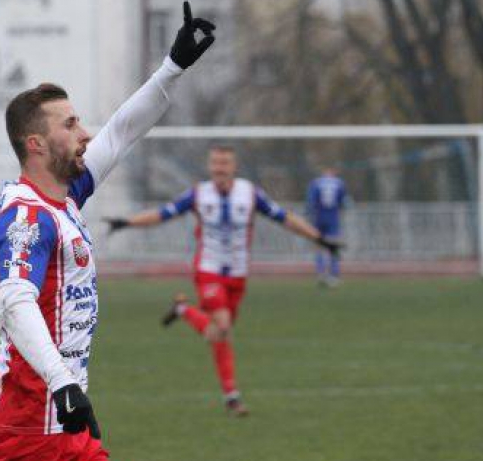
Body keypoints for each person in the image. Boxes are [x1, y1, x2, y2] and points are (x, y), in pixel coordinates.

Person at [0, 2, 215, 460]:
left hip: (65, 422)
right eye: (70, 125)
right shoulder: (28, 217)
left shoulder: (65, 198)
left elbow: (121, 133)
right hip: (24, 434)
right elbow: (16, 300)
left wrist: (172, 68)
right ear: (36, 144)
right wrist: (64, 382)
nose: (85, 133)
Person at [106, 146, 341, 416]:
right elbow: (162, 214)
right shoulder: (198, 194)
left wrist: (319, 239)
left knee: (216, 334)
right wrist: (126, 222)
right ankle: (232, 396)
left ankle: (184, 310)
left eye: (225, 164)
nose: (220, 169)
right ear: (210, 167)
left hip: (238, 275)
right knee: (222, 326)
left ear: (234, 167)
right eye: (215, 164)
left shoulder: (250, 194)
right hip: (208, 270)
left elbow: (285, 219)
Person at [306, 167, 348, 286]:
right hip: (333, 218)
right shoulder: (339, 183)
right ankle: (334, 273)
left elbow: (311, 201)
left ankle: (320, 272)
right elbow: (344, 201)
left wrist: (309, 214)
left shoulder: (316, 182)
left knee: (319, 246)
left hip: (319, 217)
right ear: (333, 173)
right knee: (333, 246)